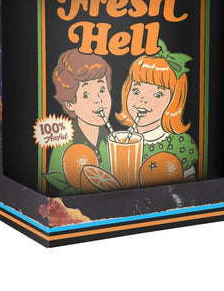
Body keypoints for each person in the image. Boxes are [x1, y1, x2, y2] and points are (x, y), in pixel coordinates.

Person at [116, 40, 199, 182]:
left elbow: (191, 187)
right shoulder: (119, 141)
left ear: (174, 101)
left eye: (158, 94)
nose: (143, 100)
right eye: (136, 91)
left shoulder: (179, 144)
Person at [45, 49, 112, 194]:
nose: (98, 99)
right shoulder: (63, 145)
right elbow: (55, 188)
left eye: (102, 89)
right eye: (86, 94)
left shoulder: (111, 142)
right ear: (70, 104)